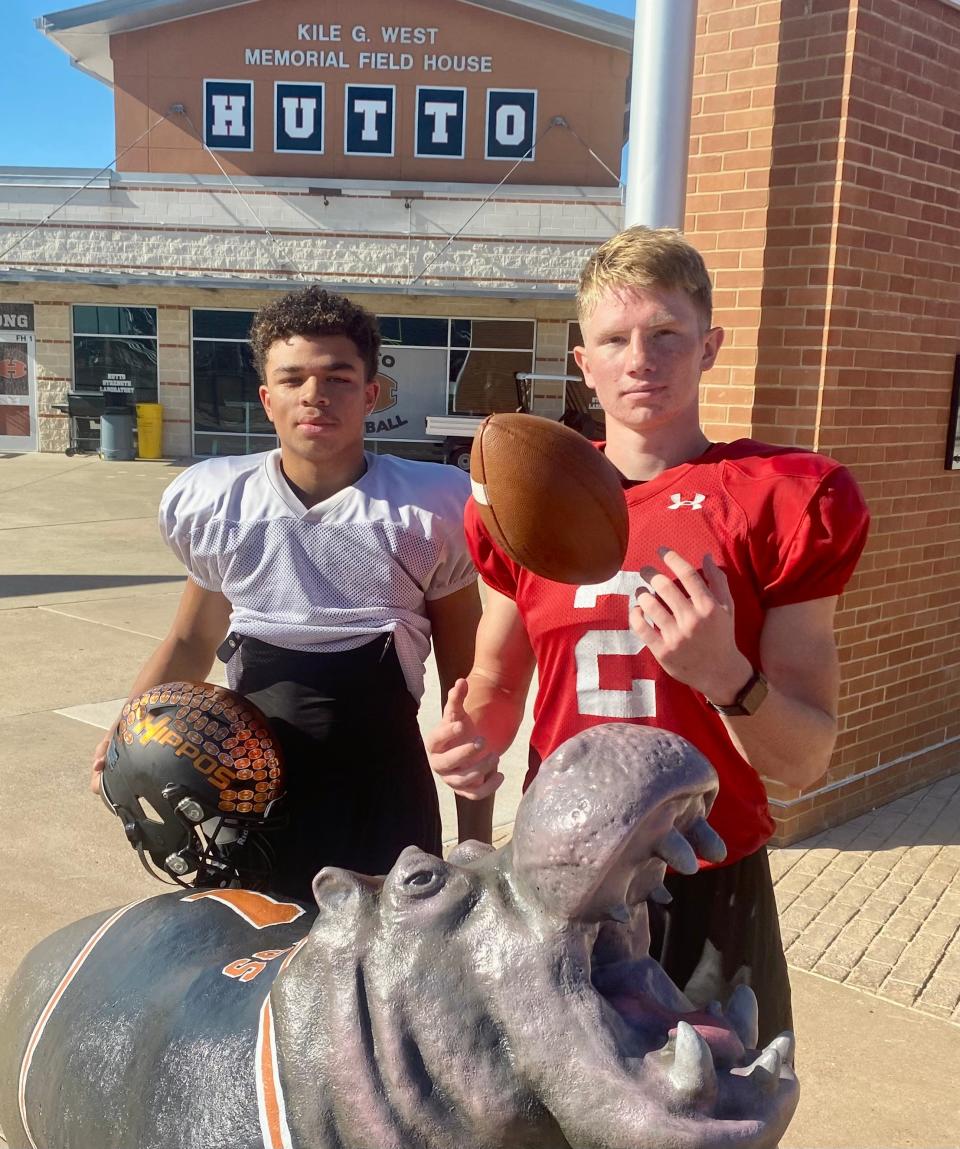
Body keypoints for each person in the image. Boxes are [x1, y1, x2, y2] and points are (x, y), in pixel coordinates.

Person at [426, 226, 869, 1044]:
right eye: (615, 339)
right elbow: (497, 680)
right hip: (565, 871)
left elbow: (803, 761)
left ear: (709, 347)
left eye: (666, 334)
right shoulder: (525, 502)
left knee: (716, 1119)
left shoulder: (783, 496)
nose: (641, 359)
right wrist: (471, 737)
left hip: (708, 872)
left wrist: (728, 676)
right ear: (583, 360)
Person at [91, 286, 482, 902]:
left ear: (371, 394)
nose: (315, 395)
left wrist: (475, 844)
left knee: (396, 977)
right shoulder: (224, 505)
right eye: (293, 378)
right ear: (267, 398)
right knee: (263, 962)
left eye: (338, 377)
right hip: (248, 793)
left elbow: (468, 680)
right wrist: (128, 735)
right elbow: (192, 640)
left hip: (383, 789)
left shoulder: (429, 507)